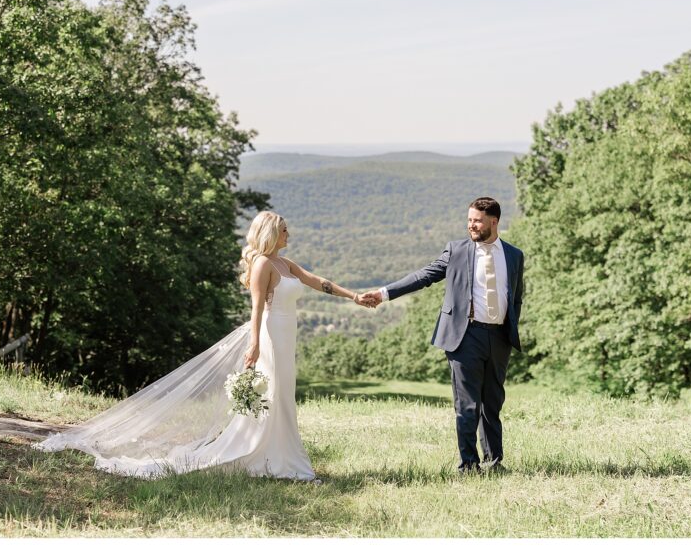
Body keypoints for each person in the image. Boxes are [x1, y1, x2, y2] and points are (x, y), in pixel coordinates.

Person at [35, 210, 368, 483]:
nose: (288, 234)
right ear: (269, 233)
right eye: (283, 229)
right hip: (269, 335)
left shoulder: (286, 263)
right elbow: (255, 309)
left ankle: (282, 456)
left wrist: (355, 296)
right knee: (272, 394)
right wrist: (253, 344)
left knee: (283, 396)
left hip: (286, 337)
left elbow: (318, 282)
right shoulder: (263, 265)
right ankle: (269, 456)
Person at [359, 197, 524, 474]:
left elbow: (516, 295)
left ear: (494, 222)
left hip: (499, 338)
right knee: (468, 405)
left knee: (492, 404)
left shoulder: (514, 255)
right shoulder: (457, 251)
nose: (471, 225)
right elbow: (424, 275)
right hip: (465, 336)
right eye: (469, 219)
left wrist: (510, 326)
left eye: (477, 221)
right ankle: (469, 465)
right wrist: (384, 293)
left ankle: (494, 463)